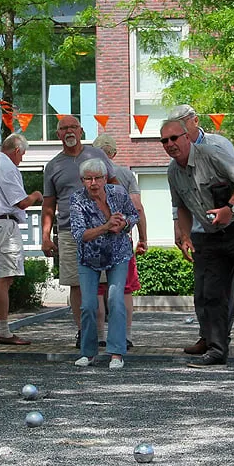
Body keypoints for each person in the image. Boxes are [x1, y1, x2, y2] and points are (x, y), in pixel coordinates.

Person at [161, 117, 234, 369]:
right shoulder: (172, 171)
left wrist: (230, 207)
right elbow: (181, 206)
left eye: (174, 138)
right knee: (213, 295)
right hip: (208, 235)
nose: (170, 144)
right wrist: (184, 235)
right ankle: (217, 350)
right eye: (164, 140)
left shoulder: (211, 153)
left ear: (186, 137)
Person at [167, 104, 234, 356]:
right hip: (198, 228)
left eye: (182, 127)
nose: (175, 136)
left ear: (195, 122)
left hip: (226, 226)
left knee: (223, 289)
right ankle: (206, 336)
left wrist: (229, 211)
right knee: (202, 288)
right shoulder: (177, 152)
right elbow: (179, 197)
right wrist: (179, 228)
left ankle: (221, 339)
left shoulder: (218, 144)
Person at [40, 115, 113, 348]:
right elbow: (48, 205)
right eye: (64, 128)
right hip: (69, 232)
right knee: (76, 284)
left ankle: (100, 334)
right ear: (58, 134)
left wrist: (118, 221)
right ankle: (84, 332)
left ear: (81, 131)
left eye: (73, 127)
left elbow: (115, 187)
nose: (69, 131)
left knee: (99, 283)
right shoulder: (53, 166)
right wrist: (45, 237)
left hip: (100, 230)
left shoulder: (97, 155)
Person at [70, 158, 138, 370]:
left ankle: (116, 353)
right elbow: (79, 234)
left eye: (97, 178)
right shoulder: (77, 200)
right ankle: (88, 353)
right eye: (88, 179)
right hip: (89, 257)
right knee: (88, 304)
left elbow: (134, 214)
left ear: (105, 178)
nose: (93, 183)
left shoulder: (118, 193)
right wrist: (107, 226)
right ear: (82, 180)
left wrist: (124, 224)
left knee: (116, 299)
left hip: (118, 253)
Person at [0, 133, 43, 345]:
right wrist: (36, 195)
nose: (22, 159)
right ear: (16, 150)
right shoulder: (7, 167)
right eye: (22, 154)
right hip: (2, 225)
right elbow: (21, 202)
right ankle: (3, 330)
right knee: (5, 279)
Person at [91, 133, 147, 349]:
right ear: (114, 153)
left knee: (96, 289)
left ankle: (98, 336)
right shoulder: (125, 174)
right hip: (121, 240)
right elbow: (138, 208)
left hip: (94, 240)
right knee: (124, 289)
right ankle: (126, 335)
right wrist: (142, 238)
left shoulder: (88, 175)